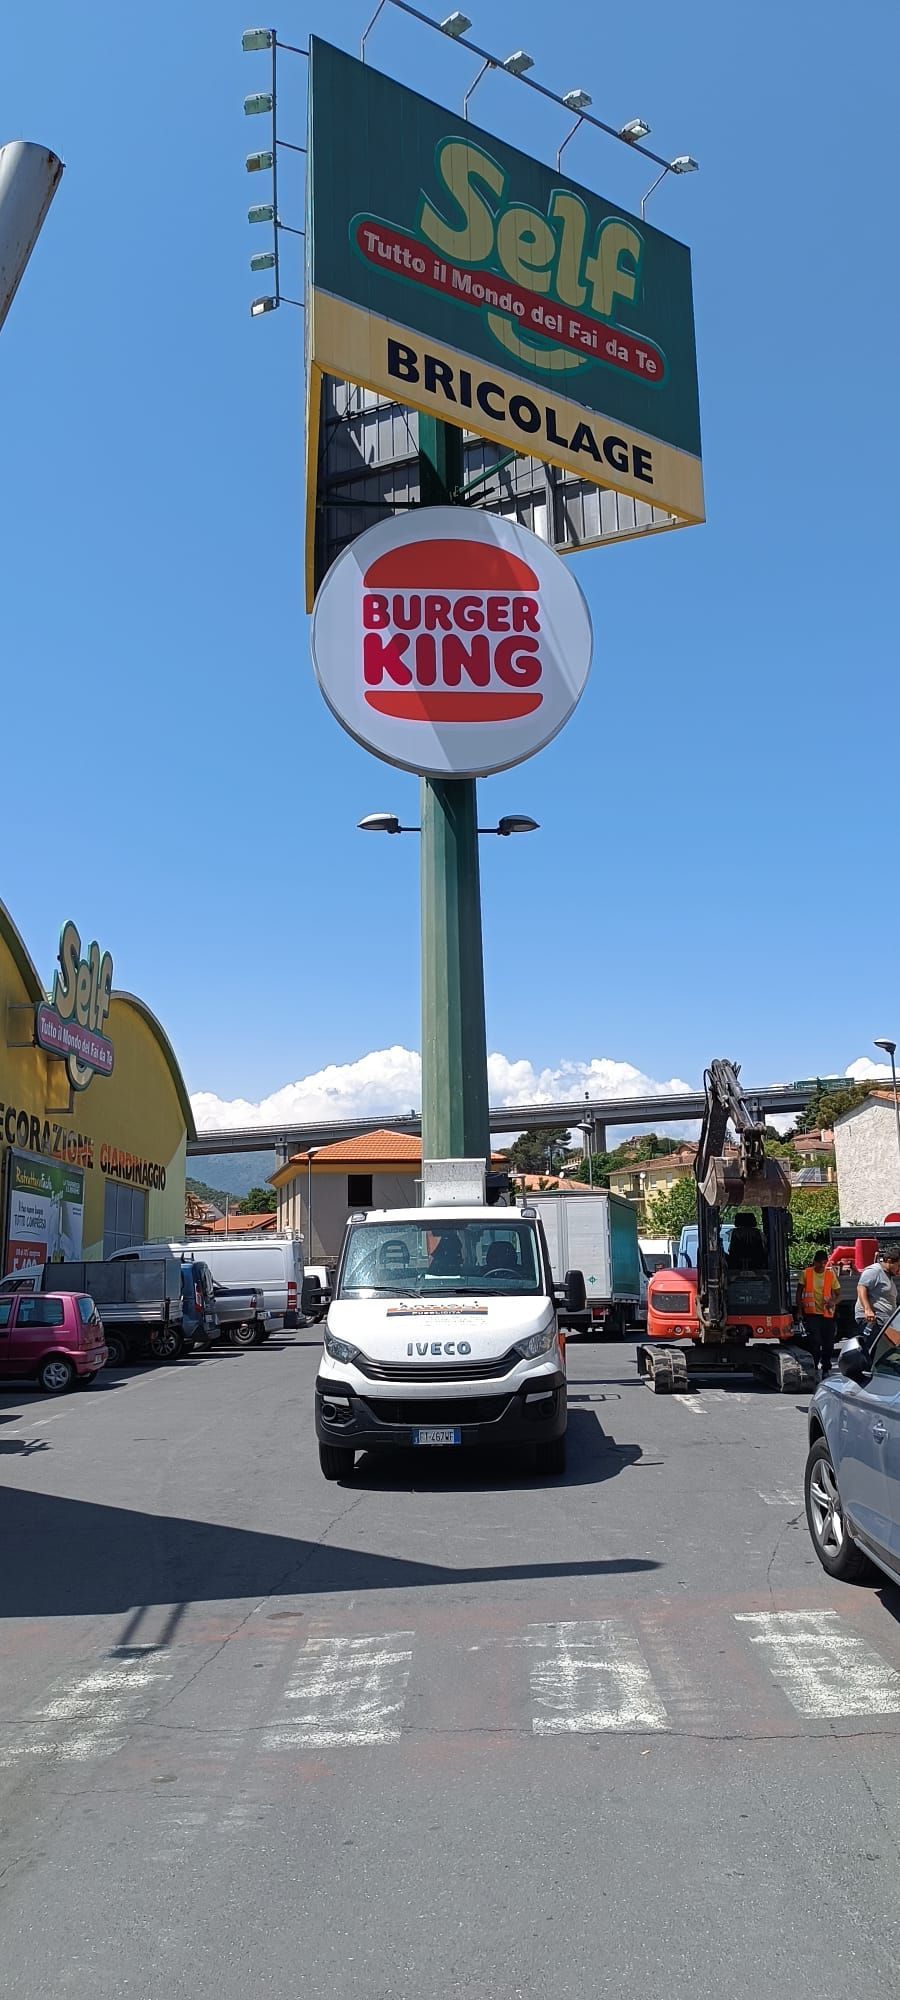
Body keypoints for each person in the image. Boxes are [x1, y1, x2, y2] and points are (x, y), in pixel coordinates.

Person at [795, 1249, 842, 1376]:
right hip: (811, 1314)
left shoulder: (829, 1275)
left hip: (827, 1314)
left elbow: (838, 1294)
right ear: (814, 1262)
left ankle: (826, 1367)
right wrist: (799, 1310)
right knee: (815, 1342)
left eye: (824, 1263)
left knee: (828, 1344)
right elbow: (799, 1293)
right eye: (820, 1263)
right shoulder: (806, 1273)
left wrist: (833, 1302)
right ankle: (815, 1366)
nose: (822, 1265)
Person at [856, 1246, 900, 1350]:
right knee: (874, 1349)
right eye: (899, 1265)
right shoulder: (874, 1271)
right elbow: (861, 1287)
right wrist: (867, 1310)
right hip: (874, 1320)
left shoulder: (888, 1276)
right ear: (889, 1261)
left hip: (885, 1321)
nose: (899, 1269)